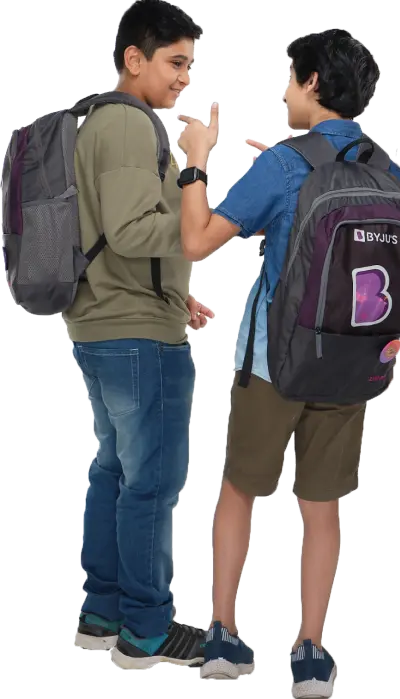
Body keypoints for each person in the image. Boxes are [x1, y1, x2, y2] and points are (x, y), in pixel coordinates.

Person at [176, 28, 400, 691]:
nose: (285, 92)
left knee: (239, 490)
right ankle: (311, 651)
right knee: (323, 504)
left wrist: (197, 161)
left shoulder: (282, 165)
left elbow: (196, 240)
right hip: (353, 363)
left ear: (311, 83)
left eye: (290, 79)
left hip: (275, 362)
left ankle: (224, 635)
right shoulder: (386, 168)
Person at [68, 0, 215, 672]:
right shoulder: (129, 123)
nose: (185, 77)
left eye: (190, 64)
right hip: (137, 337)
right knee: (150, 481)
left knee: (115, 469)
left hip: (106, 322)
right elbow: (131, 231)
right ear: (134, 58)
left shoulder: (98, 119)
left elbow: (110, 233)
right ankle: (147, 631)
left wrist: (174, 292)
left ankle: (102, 613)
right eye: (175, 62)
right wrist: (197, 177)